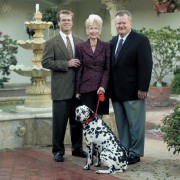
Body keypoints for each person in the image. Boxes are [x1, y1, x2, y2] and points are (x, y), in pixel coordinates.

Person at [41, 10, 87, 162]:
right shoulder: (51, 42)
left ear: (72, 22)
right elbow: (45, 62)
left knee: (77, 122)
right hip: (61, 89)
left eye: (69, 20)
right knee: (59, 123)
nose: (66, 22)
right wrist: (66, 64)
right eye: (63, 20)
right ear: (58, 22)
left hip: (78, 90)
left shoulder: (81, 41)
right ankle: (58, 151)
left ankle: (77, 148)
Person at [109, 10, 153, 165]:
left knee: (136, 125)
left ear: (130, 23)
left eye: (124, 23)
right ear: (115, 24)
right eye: (118, 23)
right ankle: (125, 150)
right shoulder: (112, 41)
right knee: (121, 124)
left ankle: (135, 152)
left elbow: (146, 66)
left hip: (135, 92)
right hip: (116, 92)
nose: (121, 25)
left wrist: (143, 88)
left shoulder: (141, 40)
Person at [75, 14, 110, 116]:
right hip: (85, 88)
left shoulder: (106, 46)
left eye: (96, 28)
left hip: (101, 88)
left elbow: (107, 69)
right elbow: (79, 69)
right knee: (87, 119)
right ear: (87, 30)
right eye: (91, 28)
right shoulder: (80, 47)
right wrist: (77, 90)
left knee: (99, 120)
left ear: (99, 30)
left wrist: (103, 86)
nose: (93, 31)